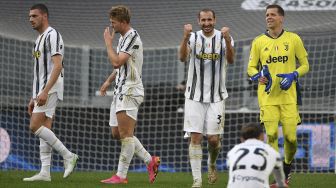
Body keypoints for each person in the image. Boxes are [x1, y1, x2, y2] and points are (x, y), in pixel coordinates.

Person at [247, 4, 309, 186]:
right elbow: (250, 68)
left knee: (291, 139)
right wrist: (257, 76)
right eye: (267, 15)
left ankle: (287, 167)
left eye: (272, 15)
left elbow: (305, 65)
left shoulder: (293, 39)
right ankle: (278, 178)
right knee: (272, 135)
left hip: (289, 97)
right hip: (267, 98)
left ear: (281, 18)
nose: (269, 17)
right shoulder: (258, 41)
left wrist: (293, 75)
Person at [100, 5, 160, 184]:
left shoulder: (132, 36)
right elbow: (121, 67)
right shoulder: (124, 38)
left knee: (126, 133)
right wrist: (108, 82)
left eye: (114, 23)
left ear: (124, 22)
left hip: (130, 90)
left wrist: (108, 44)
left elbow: (117, 62)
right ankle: (150, 160)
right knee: (116, 133)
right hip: (120, 89)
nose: (112, 26)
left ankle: (121, 175)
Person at [179, 8, 235, 188]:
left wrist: (227, 39)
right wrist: (185, 37)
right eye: (203, 20)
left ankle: (211, 164)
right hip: (194, 96)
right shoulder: (193, 38)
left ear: (215, 20)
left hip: (217, 97)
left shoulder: (223, 37)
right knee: (195, 137)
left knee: (213, 139)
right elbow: (182, 58)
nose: (207, 23)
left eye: (209, 20)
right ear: (199, 21)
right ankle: (197, 180)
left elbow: (231, 60)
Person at [23, 4, 78, 182]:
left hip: (51, 88)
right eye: (29, 16)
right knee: (44, 128)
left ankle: (68, 155)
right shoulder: (39, 39)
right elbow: (38, 72)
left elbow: (57, 65)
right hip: (42, 90)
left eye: (34, 16)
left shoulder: (52, 35)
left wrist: (45, 91)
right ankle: (45, 172)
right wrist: (34, 96)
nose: (30, 19)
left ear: (44, 16)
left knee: (34, 126)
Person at [226, 123, 288, 188]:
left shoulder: (232, 152)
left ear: (241, 138)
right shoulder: (272, 152)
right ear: (262, 136)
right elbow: (281, 182)